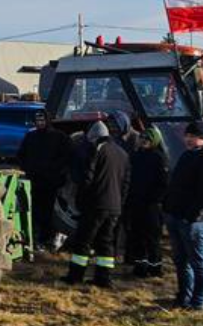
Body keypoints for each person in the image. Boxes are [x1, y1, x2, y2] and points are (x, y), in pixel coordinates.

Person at [63, 121, 130, 288]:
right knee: (106, 242)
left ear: (94, 137)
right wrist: (120, 203)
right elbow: (126, 183)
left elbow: (88, 178)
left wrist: (81, 199)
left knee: (83, 241)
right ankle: (104, 278)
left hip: (95, 204)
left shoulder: (97, 150)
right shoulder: (123, 153)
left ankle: (75, 276)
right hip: (114, 206)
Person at [163, 120, 203, 310]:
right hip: (176, 216)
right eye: (187, 135)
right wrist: (168, 207)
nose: (187, 139)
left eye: (192, 136)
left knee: (199, 263)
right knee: (181, 261)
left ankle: (198, 302)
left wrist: (192, 217)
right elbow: (175, 183)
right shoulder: (187, 155)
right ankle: (183, 298)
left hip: (198, 222)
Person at [16, 110, 72, 249]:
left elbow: (67, 155)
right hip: (34, 181)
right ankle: (35, 238)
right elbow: (21, 155)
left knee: (48, 212)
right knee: (34, 211)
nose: (40, 123)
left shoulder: (58, 137)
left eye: (42, 120)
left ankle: (46, 238)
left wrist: (56, 170)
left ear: (47, 120)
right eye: (37, 121)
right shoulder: (31, 136)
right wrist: (27, 168)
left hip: (50, 182)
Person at [124, 126, 169, 278]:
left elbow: (163, 184)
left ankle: (155, 268)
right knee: (137, 236)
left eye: (147, 139)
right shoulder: (136, 156)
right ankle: (140, 267)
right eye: (142, 138)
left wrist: (154, 199)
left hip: (151, 206)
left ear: (154, 141)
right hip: (136, 203)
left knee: (152, 238)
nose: (144, 141)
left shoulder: (159, 158)